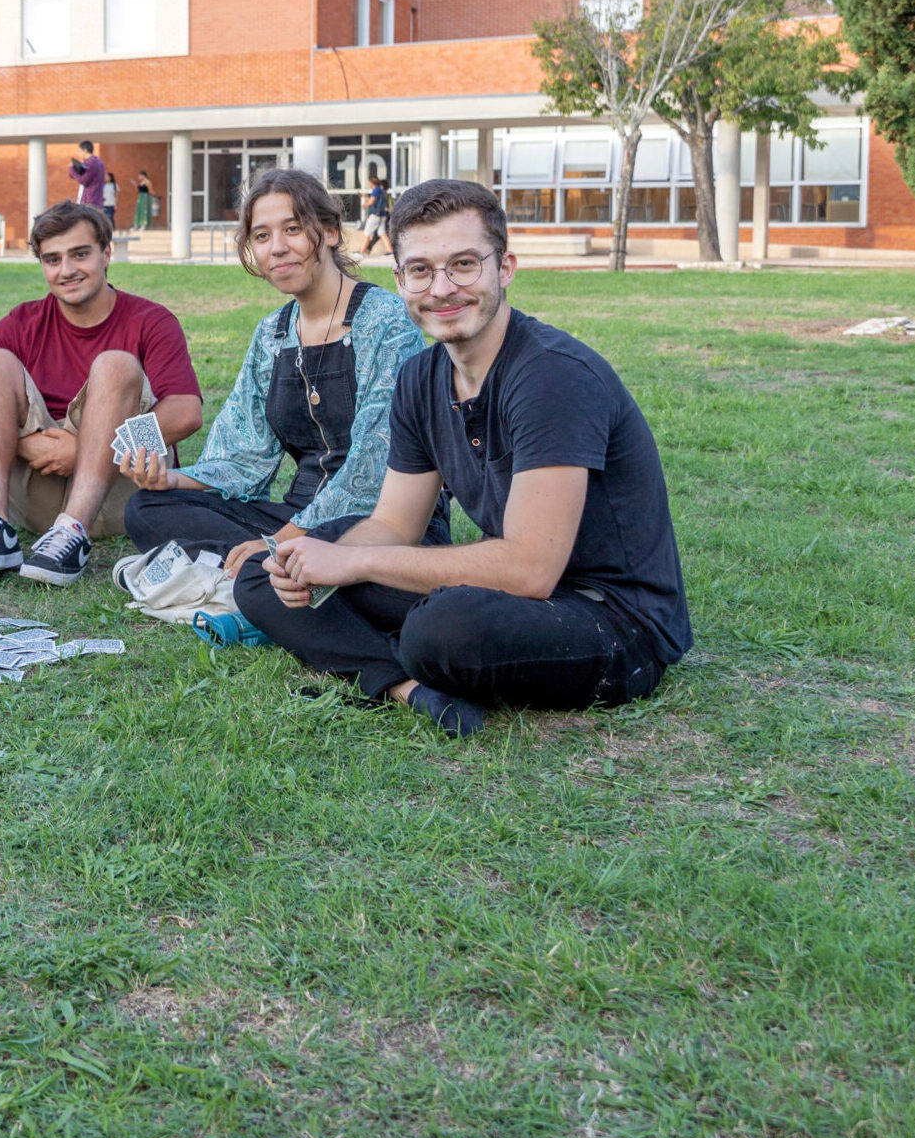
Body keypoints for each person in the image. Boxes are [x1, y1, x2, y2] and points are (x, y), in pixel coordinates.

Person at [242, 179, 690, 738]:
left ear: (505, 268)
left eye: (464, 265)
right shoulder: (421, 379)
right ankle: (409, 689)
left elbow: (530, 568)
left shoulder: (552, 376)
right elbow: (392, 525)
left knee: (443, 629)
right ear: (400, 279)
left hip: (612, 618)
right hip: (502, 595)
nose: (443, 289)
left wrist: (351, 566)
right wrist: (311, 560)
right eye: (421, 270)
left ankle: (380, 657)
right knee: (266, 573)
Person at [125, 167, 436, 572]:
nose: (277, 248)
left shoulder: (386, 320)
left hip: (377, 521)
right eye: (261, 236)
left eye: (292, 229)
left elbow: (375, 461)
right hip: (294, 515)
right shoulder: (272, 333)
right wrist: (170, 480)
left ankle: (254, 572)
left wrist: (281, 541)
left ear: (329, 232)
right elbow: (243, 456)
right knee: (147, 507)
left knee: (303, 558)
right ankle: (263, 572)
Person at [0, 201, 202, 585]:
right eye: (52, 259)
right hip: (37, 490)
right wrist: (25, 446)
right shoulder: (23, 322)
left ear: (106, 253)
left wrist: (85, 448)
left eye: (80, 254)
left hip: (122, 491)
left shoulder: (151, 320)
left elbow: (185, 412)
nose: (67, 270)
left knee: (116, 365)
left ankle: (72, 534)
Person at [72, 140, 113, 230]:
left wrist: (72, 171)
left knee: (90, 230)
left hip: (90, 201)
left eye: (80, 151)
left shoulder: (91, 163)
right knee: (97, 229)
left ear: (85, 150)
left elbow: (84, 180)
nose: (79, 154)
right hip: (97, 201)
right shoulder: (99, 163)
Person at [356, 172, 392, 257]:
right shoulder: (381, 190)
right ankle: (390, 251)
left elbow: (372, 201)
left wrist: (364, 205)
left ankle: (361, 252)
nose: (368, 183)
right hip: (382, 215)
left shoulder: (376, 190)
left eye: (369, 182)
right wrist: (364, 196)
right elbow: (375, 200)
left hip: (375, 215)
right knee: (382, 233)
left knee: (367, 233)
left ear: (371, 182)